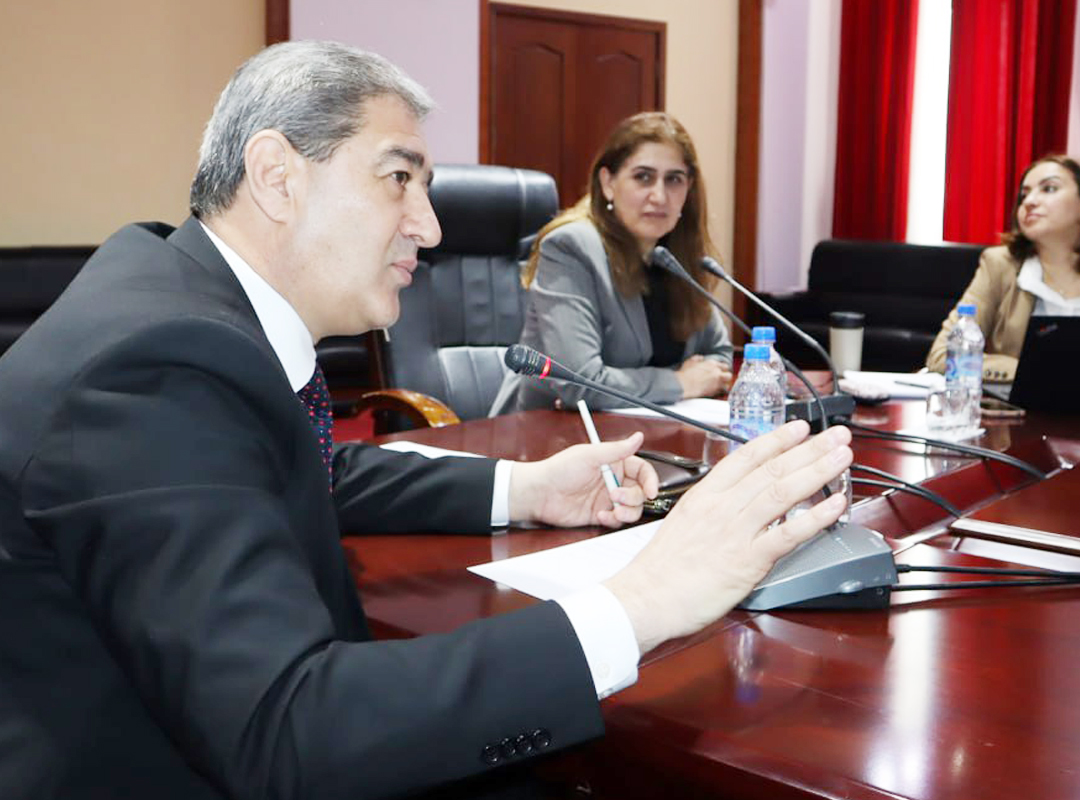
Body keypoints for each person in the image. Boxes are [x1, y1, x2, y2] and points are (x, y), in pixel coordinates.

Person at [0, 41, 851, 799]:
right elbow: (287, 733)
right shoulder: (156, 371)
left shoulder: (183, 306)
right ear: (277, 176)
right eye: (399, 178)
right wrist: (646, 599)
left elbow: (303, 465)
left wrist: (525, 488)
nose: (430, 227)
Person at [489, 112, 733, 415]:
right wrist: (680, 382)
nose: (659, 196)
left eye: (674, 179)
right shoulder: (570, 248)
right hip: (545, 434)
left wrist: (687, 380)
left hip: (645, 431)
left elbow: (719, 355)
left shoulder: (677, 257)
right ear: (607, 183)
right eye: (643, 177)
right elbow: (580, 383)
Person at [926, 155, 1080, 382]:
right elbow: (942, 355)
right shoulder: (999, 265)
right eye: (1024, 195)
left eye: (1049, 189)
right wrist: (1033, 370)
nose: (1030, 202)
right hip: (1020, 415)